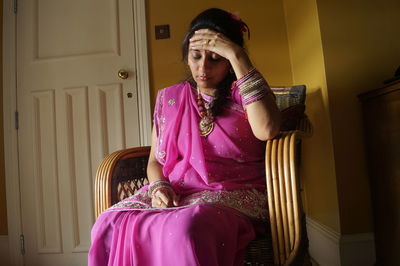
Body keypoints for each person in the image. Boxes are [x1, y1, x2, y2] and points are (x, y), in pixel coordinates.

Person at [89, 8, 281, 266]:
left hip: (233, 194)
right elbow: (156, 160)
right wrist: (159, 186)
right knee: (108, 223)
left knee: (185, 229)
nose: (203, 68)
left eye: (215, 58)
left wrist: (238, 55)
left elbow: (267, 129)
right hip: (180, 190)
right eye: (196, 56)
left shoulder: (245, 93)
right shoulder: (171, 98)